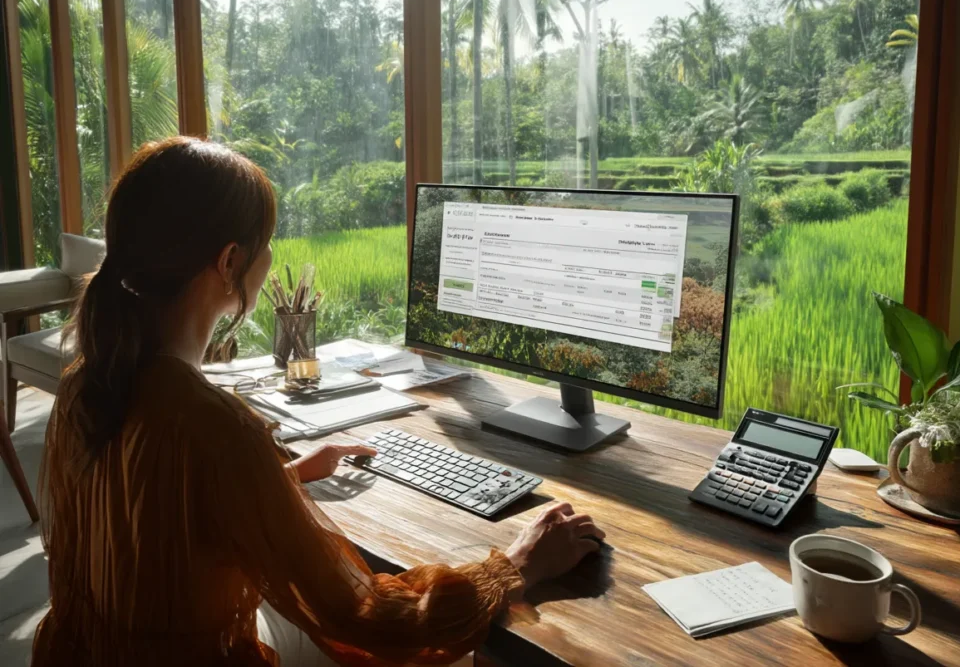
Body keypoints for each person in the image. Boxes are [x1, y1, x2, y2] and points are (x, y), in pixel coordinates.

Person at [32, 137, 605, 667]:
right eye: (266, 241)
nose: (273, 254)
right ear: (229, 262)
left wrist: (280, 481)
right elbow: (371, 617)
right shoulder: (211, 425)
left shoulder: (88, 381)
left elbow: (154, 521)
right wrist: (516, 566)